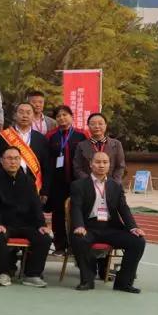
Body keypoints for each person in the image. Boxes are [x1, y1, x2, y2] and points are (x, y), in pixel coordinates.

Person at [69, 151, 146, 293]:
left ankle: (123, 282)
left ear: (109, 165)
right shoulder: (78, 185)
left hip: (110, 227)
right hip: (88, 227)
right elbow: (76, 207)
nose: (101, 165)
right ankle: (87, 280)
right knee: (79, 239)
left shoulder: (115, 186)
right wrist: (79, 225)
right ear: (91, 164)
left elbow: (123, 208)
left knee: (138, 241)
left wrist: (133, 227)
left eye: (105, 162)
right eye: (98, 162)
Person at [0, 146, 53, 287]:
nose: (13, 162)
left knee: (45, 237)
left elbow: (36, 205)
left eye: (16, 158)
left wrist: (42, 225)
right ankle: (4, 273)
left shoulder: (28, 181)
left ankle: (32, 275)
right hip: (4, 224)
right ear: (1, 161)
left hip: (26, 224)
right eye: (9, 158)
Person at [46, 106, 87, 254]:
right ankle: (60, 246)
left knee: (77, 212)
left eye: (65, 115)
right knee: (58, 214)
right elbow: (47, 160)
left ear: (71, 116)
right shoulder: (50, 136)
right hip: (57, 182)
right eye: (58, 116)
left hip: (77, 182)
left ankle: (76, 245)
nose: (62, 118)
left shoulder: (82, 135)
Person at [0, 103, 51, 200]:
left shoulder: (41, 139)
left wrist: (45, 191)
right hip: (8, 186)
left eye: (28, 113)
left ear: (33, 116)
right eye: (21, 112)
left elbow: (46, 167)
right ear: (15, 115)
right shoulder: (4, 136)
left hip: (34, 187)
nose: (25, 115)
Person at [73, 113, 126, 185]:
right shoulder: (81, 145)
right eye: (93, 124)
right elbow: (77, 167)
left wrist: (114, 183)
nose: (97, 126)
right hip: (88, 186)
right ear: (88, 126)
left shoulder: (116, 144)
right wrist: (89, 182)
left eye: (100, 123)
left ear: (105, 125)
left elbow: (120, 166)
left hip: (111, 185)